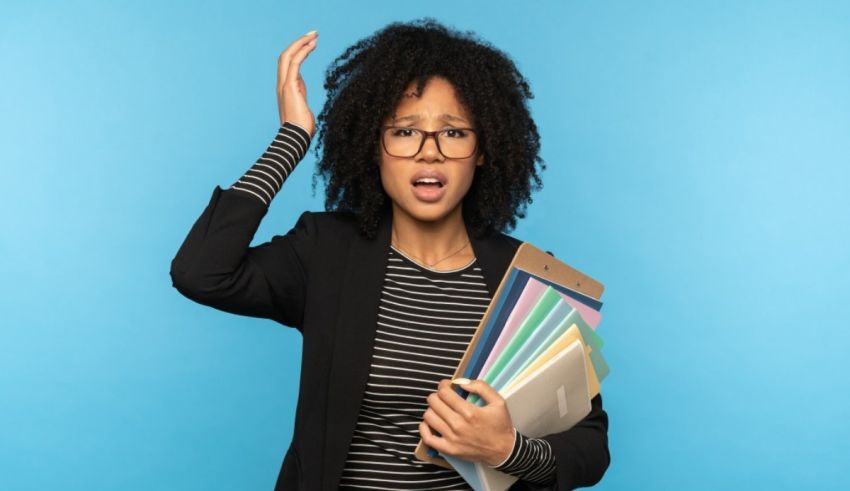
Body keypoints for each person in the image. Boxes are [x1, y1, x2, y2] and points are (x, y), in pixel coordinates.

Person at [170, 18, 609, 490]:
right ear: (372, 148)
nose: (430, 153)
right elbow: (201, 272)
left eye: (454, 133)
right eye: (404, 132)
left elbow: (590, 447)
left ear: (483, 150)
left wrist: (508, 450)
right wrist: (293, 136)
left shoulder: (526, 276)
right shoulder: (326, 251)